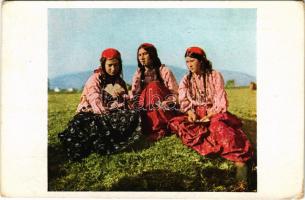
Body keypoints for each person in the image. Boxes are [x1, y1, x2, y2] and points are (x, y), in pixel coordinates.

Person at [169, 46, 254, 189]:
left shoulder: (214, 75)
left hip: (214, 112)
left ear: (201, 61)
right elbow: (184, 101)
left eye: (192, 61)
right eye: (187, 62)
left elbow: (220, 101)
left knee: (219, 128)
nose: (189, 65)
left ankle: (241, 166)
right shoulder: (186, 79)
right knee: (176, 123)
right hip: (197, 114)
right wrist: (190, 112)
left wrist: (210, 115)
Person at [58, 48, 142, 160]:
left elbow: (124, 103)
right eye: (110, 65)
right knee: (88, 124)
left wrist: (125, 99)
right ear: (103, 64)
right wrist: (104, 115)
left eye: (116, 65)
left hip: (110, 114)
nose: (113, 69)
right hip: (92, 113)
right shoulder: (95, 79)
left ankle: (108, 138)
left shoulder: (119, 82)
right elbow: (94, 98)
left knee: (133, 114)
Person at [130, 43, 179, 141]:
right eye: (139, 55)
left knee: (153, 86)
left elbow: (175, 93)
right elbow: (135, 94)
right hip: (146, 107)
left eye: (145, 54)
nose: (142, 58)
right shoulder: (139, 73)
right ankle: (149, 126)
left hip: (164, 106)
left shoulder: (164, 71)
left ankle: (160, 128)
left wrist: (169, 101)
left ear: (152, 55)